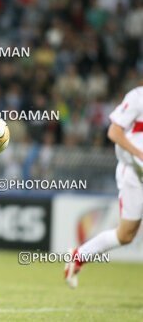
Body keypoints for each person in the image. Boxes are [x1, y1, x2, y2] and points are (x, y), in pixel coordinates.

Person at [65, 85, 143, 288]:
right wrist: (139, 154)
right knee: (125, 235)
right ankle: (78, 256)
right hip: (135, 174)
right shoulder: (137, 97)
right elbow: (114, 132)